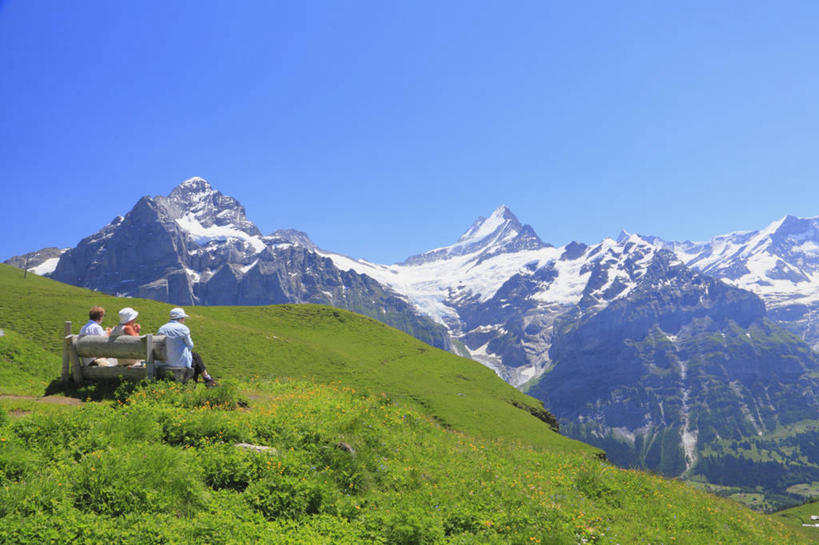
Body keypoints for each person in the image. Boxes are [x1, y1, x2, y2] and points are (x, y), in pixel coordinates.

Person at [156, 307, 217, 387]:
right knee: (195, 357)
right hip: (179, 363)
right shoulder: (183, 329)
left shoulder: (161, 329)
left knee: (194, 356)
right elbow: (190, 345)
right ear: (181, 318)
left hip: (163, 362)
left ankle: (207, 378)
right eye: (184, 318)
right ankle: (206, 379)